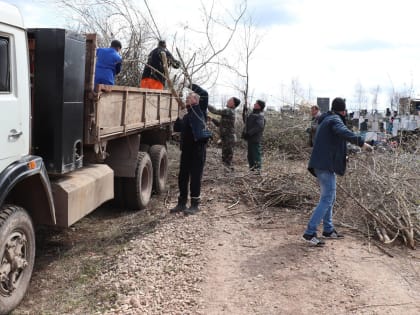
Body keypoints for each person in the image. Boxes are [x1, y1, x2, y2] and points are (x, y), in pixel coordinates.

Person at [302, 97, 372, 246]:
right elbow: (343, 132)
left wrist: (342, 155)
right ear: (343, 111)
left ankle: (328, 229)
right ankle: (309, 232)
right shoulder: (335, 120)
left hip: (323, 163)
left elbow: (332, 142)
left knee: (330, 198)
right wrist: (361, 143)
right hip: (324, 165)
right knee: (327, 198)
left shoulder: (326, 119)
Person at [170, 86, 210, 215]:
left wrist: (189, 83)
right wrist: (179, 116)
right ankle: (181, 203)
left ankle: (194, 204)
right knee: (183, 176)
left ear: (197, 100)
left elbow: (204, 93)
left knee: (195, 177)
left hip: (198, 149)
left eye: (190, 96)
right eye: (187, 96)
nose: (187, 97)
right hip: (186, 150)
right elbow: (177, 128)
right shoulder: (186, 113)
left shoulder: (200, 110)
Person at [208, 97, 241, 169]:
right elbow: (220, 124)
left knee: (227, 160)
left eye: (229, 100)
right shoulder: (229, 112)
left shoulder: (229, 111)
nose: (227, 101)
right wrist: (212, 119)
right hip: (227, 138)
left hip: (229, 139)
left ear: (233, 104)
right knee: (225, 158)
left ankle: (229, 175)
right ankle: (227, 173)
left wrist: (206, 102)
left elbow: (214, 111)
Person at [243, 100, 266, 171]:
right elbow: (246, 121)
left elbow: (259, 126)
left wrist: (249, 133)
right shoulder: (253, 113)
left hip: (255, 139)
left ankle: (257, 171)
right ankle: (252, 169)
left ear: (259, 106)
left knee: (256, 155)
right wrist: (244, 111)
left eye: (256, 103)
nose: (254, 104)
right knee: (250, 155)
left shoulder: (260, 115)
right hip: (250, 138)